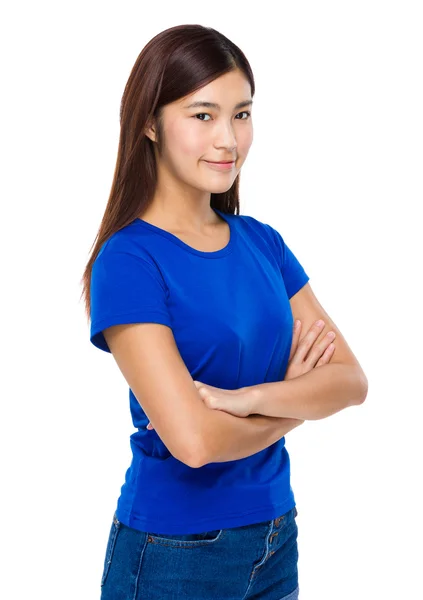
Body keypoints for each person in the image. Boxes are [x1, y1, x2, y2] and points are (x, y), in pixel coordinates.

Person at [81, 24, 368, 600]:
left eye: (241, 114)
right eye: (203, 115)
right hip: (173, 553)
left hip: (275, 536)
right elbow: (193, 442)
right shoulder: (130, 260)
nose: (228, 139)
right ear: (148, 123)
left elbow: (351, 381)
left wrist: (251, 399)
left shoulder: (263, 243)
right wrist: (297, 403)